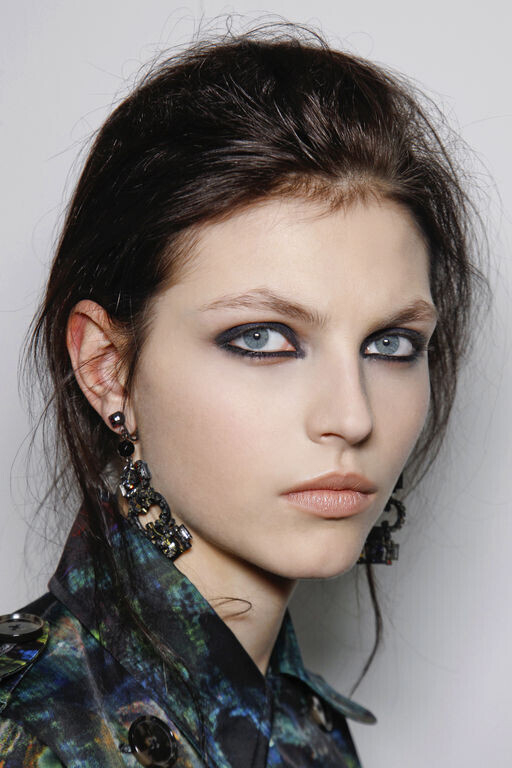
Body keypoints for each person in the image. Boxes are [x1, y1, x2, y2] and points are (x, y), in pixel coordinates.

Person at [0, 24, 484, 768]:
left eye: (390, 344)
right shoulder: (25, 727)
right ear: (107, 368)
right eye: (262, 338)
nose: (352, 417)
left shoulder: (310, 732)